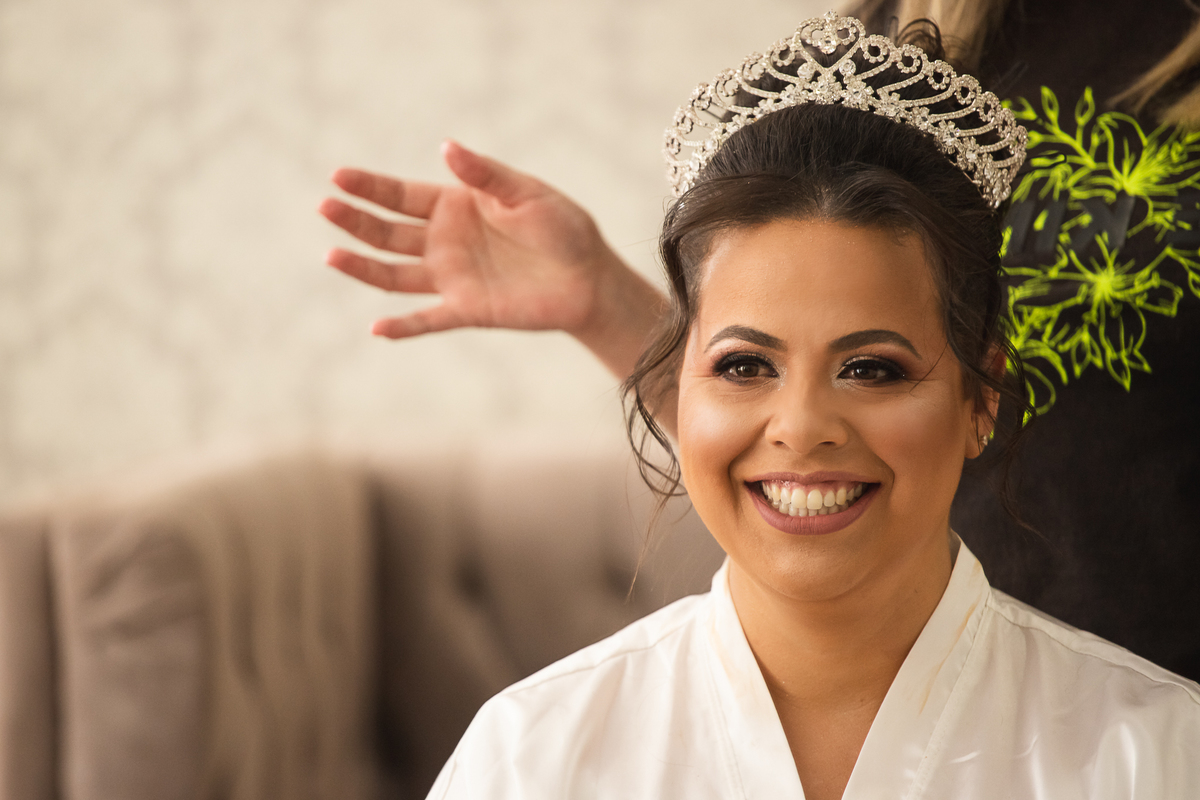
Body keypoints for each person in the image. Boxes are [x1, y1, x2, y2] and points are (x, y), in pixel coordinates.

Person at [320, 13, 1200, 799]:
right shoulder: (534, 757)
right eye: (744, 366)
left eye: (873, 370)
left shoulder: (1154, 754)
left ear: (982, 398)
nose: (802, 426)